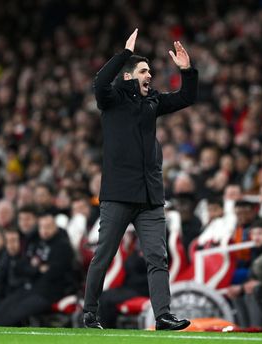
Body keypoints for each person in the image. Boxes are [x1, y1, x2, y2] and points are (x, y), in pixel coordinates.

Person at [83, 29, 198, 331]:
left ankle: (162, 315)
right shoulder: (112, 99)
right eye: (144, 71)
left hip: (149, 196)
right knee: (103, 256)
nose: (150, 75)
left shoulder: (154, 101)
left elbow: (187, 96)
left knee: (158, 258)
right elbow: (99, 82)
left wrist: (187, 71)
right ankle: (90, 314)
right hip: (118, 195)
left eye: (150, 71)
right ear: (129, 77)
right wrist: (123, 54)